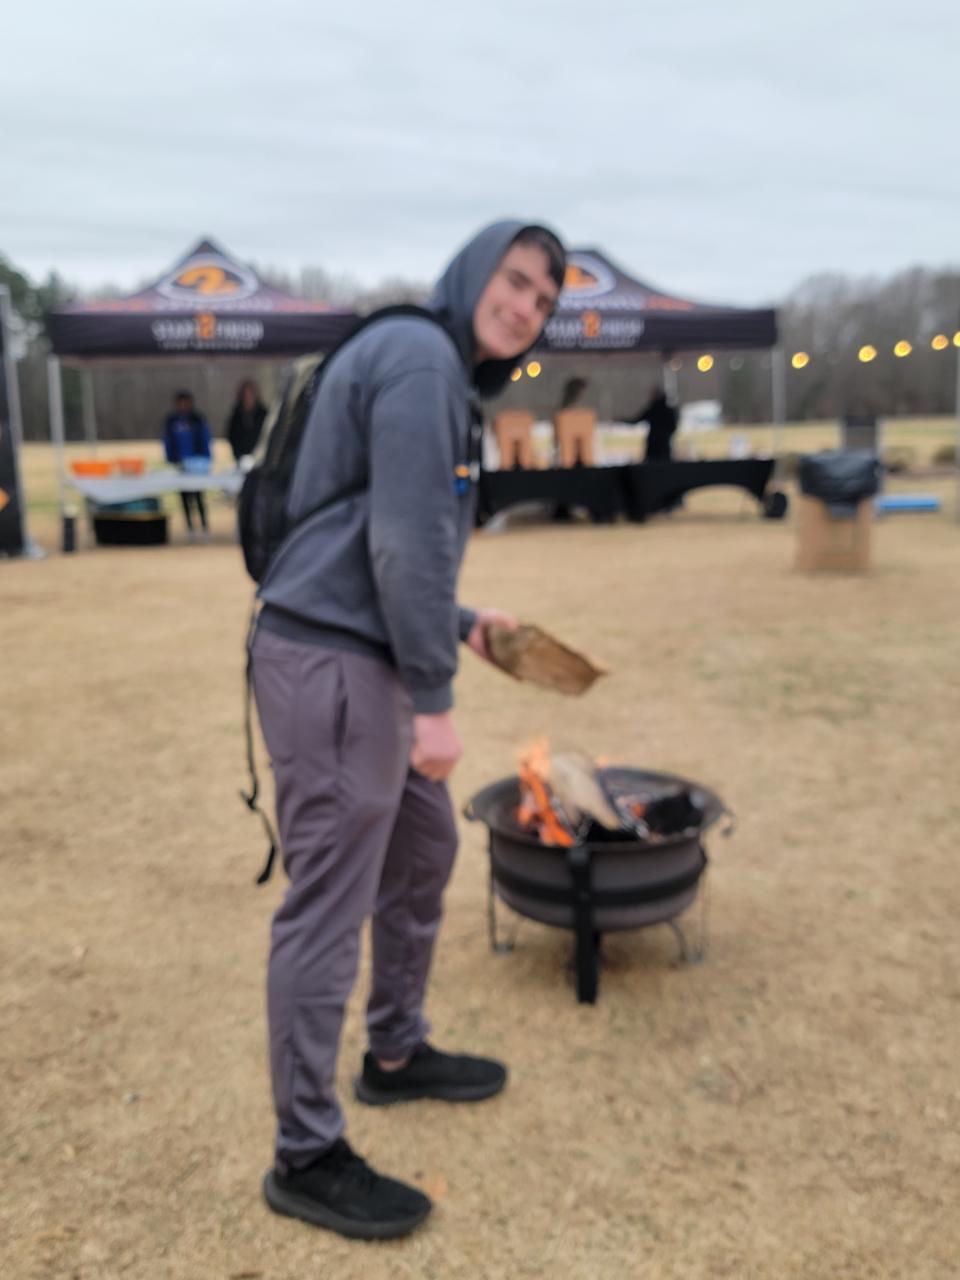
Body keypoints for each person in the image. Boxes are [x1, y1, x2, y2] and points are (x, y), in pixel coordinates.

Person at [249, 220, 565, 1242]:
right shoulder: (425, 363)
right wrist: (435, 701)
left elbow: (369, 528)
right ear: (474, 272)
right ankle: (306, 1155)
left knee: (424, 850)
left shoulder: (432, 366)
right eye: (515, 281)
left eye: (544, 301)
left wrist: (462, 625)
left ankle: (394, 1052)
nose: (525, 307)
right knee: (327, 906)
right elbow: (404, 539)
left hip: (361, 648)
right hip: (336, 667)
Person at [162, 390, 212, 539]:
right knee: (184, 497)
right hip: (180, 463)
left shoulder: (197, 420)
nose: (183, 405)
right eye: (180, 402)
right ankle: (190, 527)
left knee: (198, 496)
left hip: (197, 465)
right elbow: (168, 441)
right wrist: (171, 458)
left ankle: (204, 526)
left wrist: (205, 459)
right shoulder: (171, 421)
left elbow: (205, 439)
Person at [630, 385, 678, 461]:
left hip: (656, 447)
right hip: (662, 448)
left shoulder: (653, 410)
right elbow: (673, 428)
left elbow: (636, 420)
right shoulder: (667, 410)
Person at [226, 379, 268, 462]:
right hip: (240, 457)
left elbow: (266, 435)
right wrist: (238, 455)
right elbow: (232, 435)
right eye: (245, 395)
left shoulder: (263, 414)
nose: (247, 397)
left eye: (249, 394)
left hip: (260, 457)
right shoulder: (236, 415)